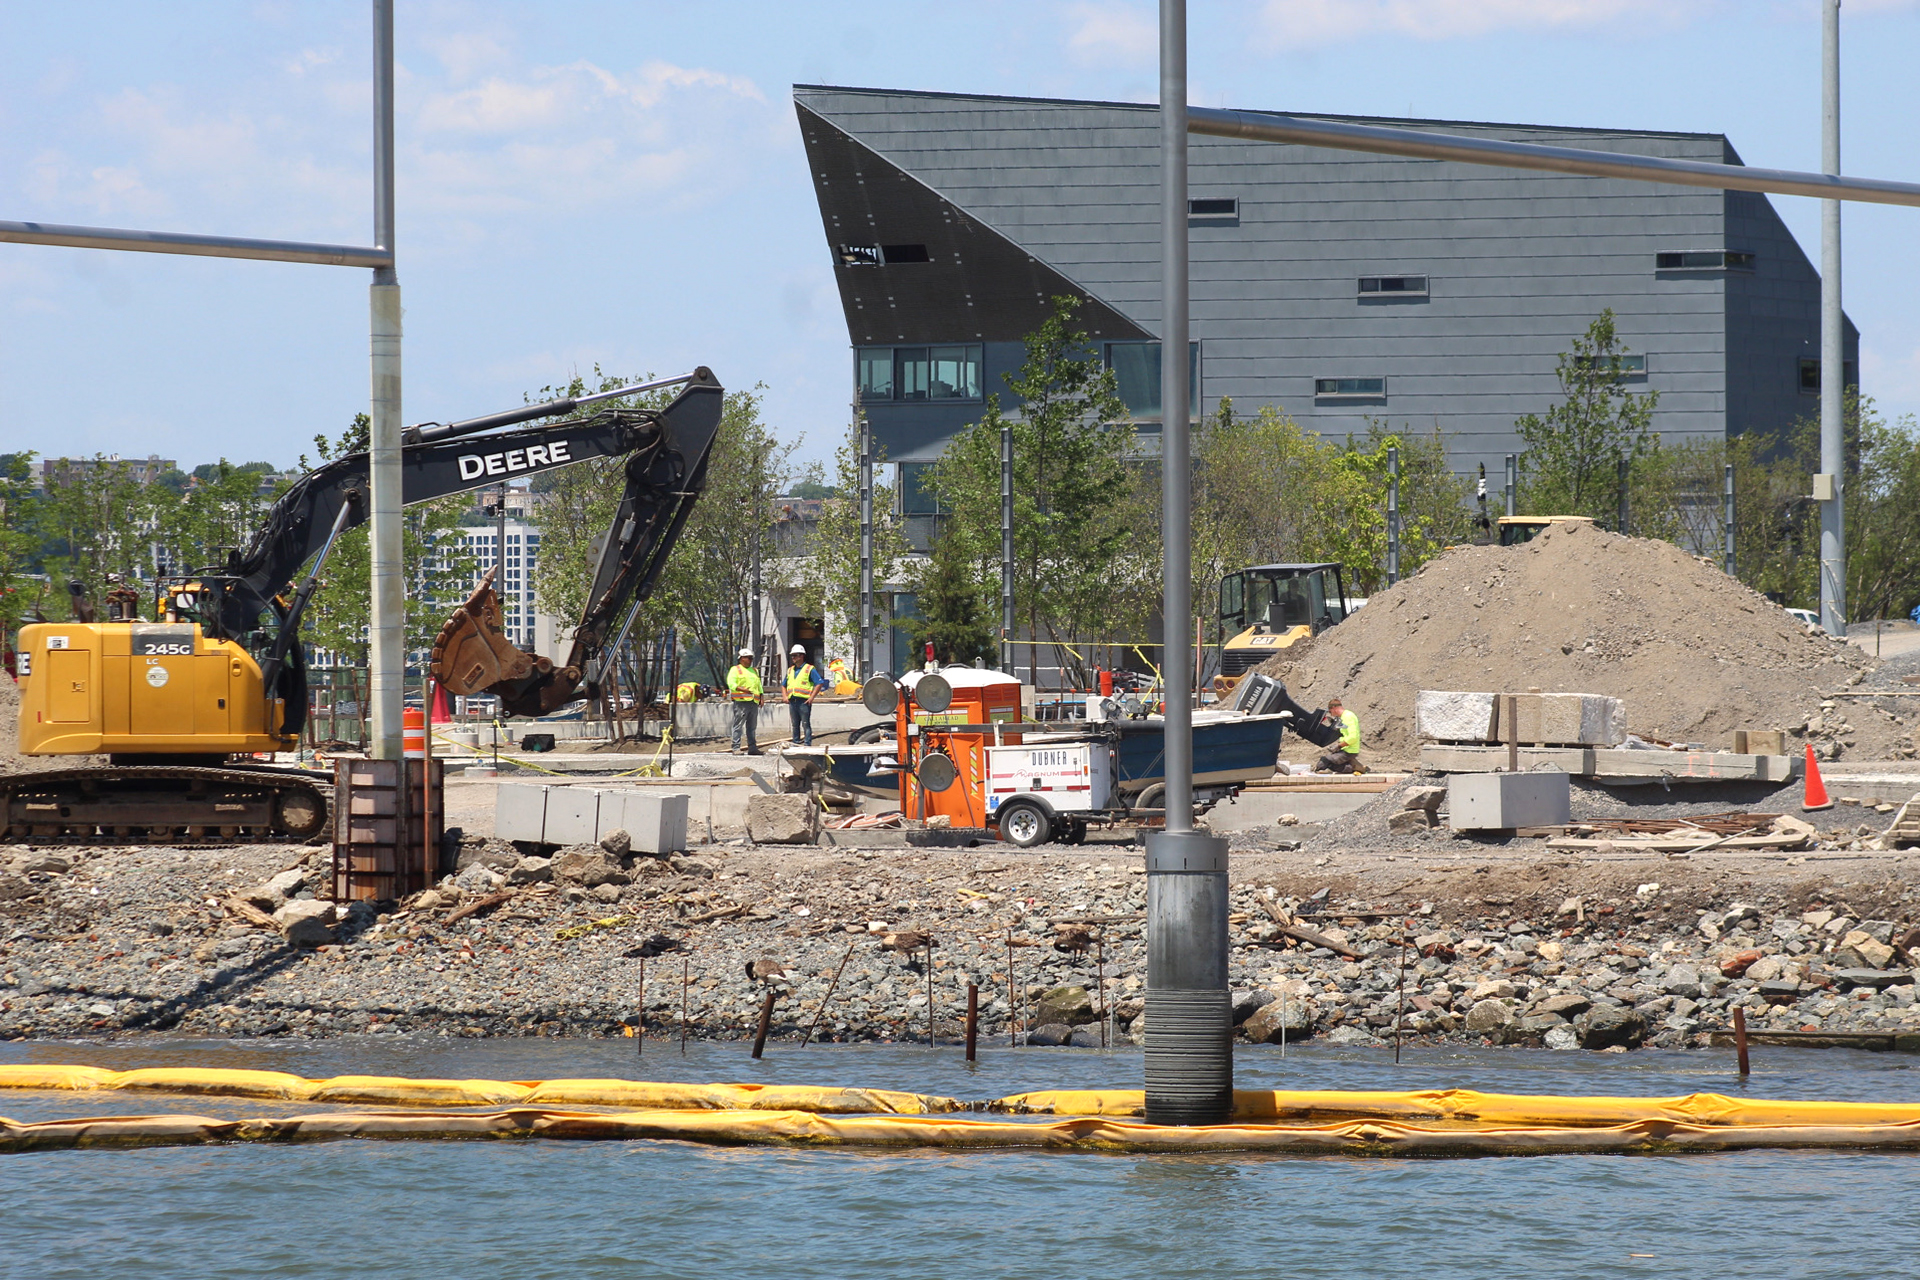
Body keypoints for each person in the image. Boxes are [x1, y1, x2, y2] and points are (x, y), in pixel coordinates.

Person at [784, 643, 825, 746]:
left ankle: (807, 743)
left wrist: (811, 698)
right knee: (795, 725)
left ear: (801, 656)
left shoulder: (809, 669)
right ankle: (796, 742)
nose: (793, 658)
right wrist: (784, 696)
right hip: (793, 701)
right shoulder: (790, 670)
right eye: (792, 656)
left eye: (795, 655)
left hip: (804, 701)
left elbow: (819, 683)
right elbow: (783, 685)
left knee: (805, 724)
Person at [726, 647, 763, 754]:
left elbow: (759, 685)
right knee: (738, 726)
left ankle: (752, 748)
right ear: (741, 659)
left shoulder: (754, 670)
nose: (750, 660)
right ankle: (736, 747)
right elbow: (731, 683)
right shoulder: (735, 669)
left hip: (753, 702)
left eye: (751, 658)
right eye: (748, 658)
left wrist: (761, 696)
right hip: (741, 702)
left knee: (752, 727)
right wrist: (741, 689)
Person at [1317, 696, 1363, 774]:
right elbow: (1344, 731)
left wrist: (1338, 746)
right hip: (1345, 749)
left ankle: (1354, 767)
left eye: (1330, 711)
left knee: (1324, 761)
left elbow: (1353, 737)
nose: (1331, 714)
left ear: (1334, 708)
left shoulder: (1348, 716)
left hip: (1349, 751)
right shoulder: (1343, 717)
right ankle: (1353, 766)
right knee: (1330, 763)